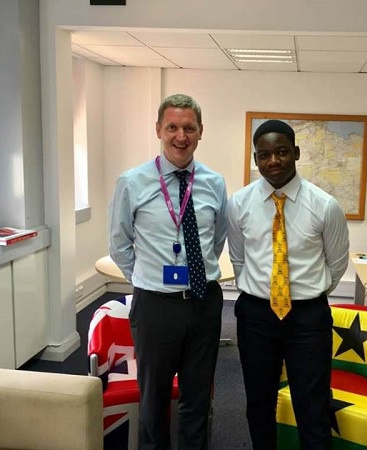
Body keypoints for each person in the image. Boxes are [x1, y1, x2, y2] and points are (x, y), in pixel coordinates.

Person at [108, 93, 227, 450]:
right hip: (155, 306)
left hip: (203, 303)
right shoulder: (132, 181)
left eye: (189, 128)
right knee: (154, 398)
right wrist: (148, 280)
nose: (181, 136)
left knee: (196, 397)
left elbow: (216, 239)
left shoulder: (214, 183)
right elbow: (119, 244)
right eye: (172, 127)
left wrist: (195, 274)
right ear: (159, 129)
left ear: (201, 132)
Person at [226, 119, 350, 450]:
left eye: (282, 152)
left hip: (308, 318)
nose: (273, 161)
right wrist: (260, 292)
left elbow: (337, 264)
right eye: (264, 155)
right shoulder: (238, 203)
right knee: (258, 402)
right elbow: (238, 259)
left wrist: (307, 294)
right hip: (255, 315)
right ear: (256, 159)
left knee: (312, 406)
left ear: (295, 152)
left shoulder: (325, 205)